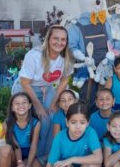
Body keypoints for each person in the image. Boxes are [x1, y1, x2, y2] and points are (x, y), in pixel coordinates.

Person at [12, 25, 74, 157]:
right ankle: (37, 155)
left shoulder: (66, 57)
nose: (59, 42)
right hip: (26, 88)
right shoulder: (34, 55)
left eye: (63, 39)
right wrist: (38, 105)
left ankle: (50, 154)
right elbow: (24, 82)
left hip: (46, 87)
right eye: (56, 38)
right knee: (44, 120)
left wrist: (54, 101)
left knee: (54, 116)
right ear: (48, 39)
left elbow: (64, 80)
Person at [0, 92, 43, 167]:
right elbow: (15, 145)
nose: (21, 105)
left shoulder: (36, 123)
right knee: (5, 149)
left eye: (24, 102)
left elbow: (33, 145)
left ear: (29, 105)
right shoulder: (7, 123)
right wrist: (19, 162)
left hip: (29, 155)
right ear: (12, 108)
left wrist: (27, 166)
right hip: (14, 154)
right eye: (17, 103)